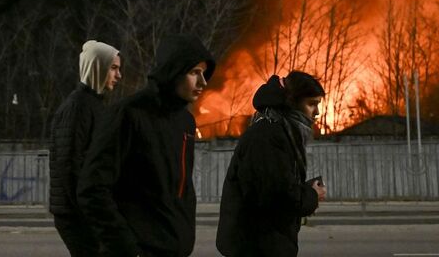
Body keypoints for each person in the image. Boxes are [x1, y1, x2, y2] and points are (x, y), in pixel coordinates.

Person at [78, 33, 215, 257]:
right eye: (194, 73)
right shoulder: (129, 114)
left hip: (174, 249)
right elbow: (92, 189)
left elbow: (182, 190)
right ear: (173, 72)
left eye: (204, 73)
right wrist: (125, 247)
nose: (203, 82)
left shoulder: (186, 121)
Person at [216, 71, 328, 257]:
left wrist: (303, 190)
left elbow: (276, 182)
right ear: (292, 102)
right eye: (312, 104)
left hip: (265, 242)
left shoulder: (280, 131)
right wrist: (311, 195)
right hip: (258, 246)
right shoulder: (268, 135)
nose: (317, 112)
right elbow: (276, 196)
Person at [49, 39, 123, 256]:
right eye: (114, 68)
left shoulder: (94, 105)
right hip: (77, 214)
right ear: (96, 67)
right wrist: (90, 210)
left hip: (87, 210)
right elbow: (69, 164)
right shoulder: (77, 107)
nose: (119, 75)